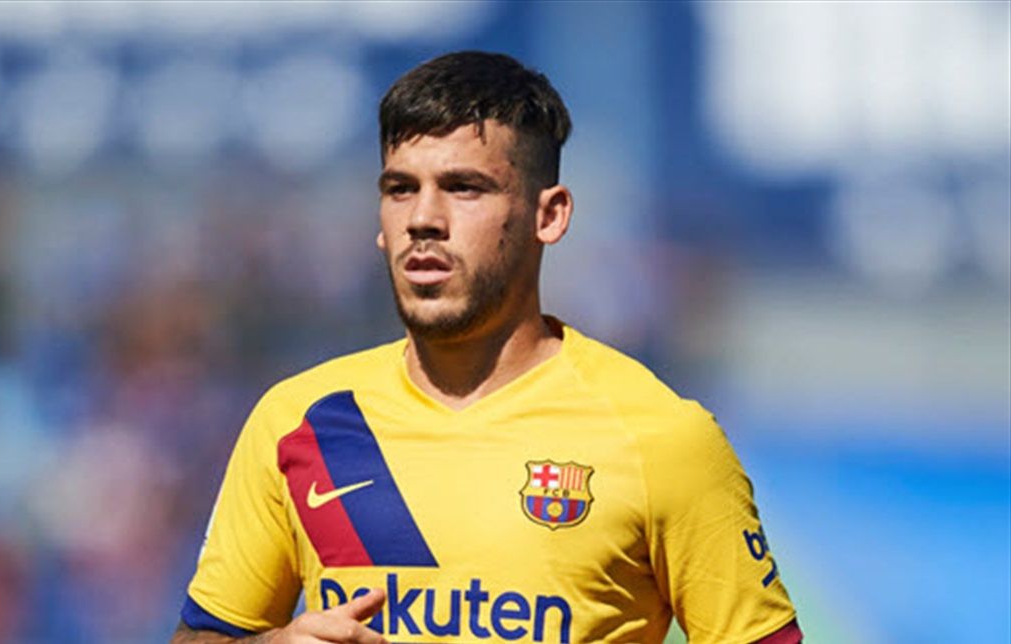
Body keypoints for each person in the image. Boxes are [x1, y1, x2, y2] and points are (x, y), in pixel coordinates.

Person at [170, 51, 800, 644]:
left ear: (549, 215)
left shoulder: (661, 438)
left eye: (464, 187)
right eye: (400, 189)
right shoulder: (298, 420)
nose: (423, 218)